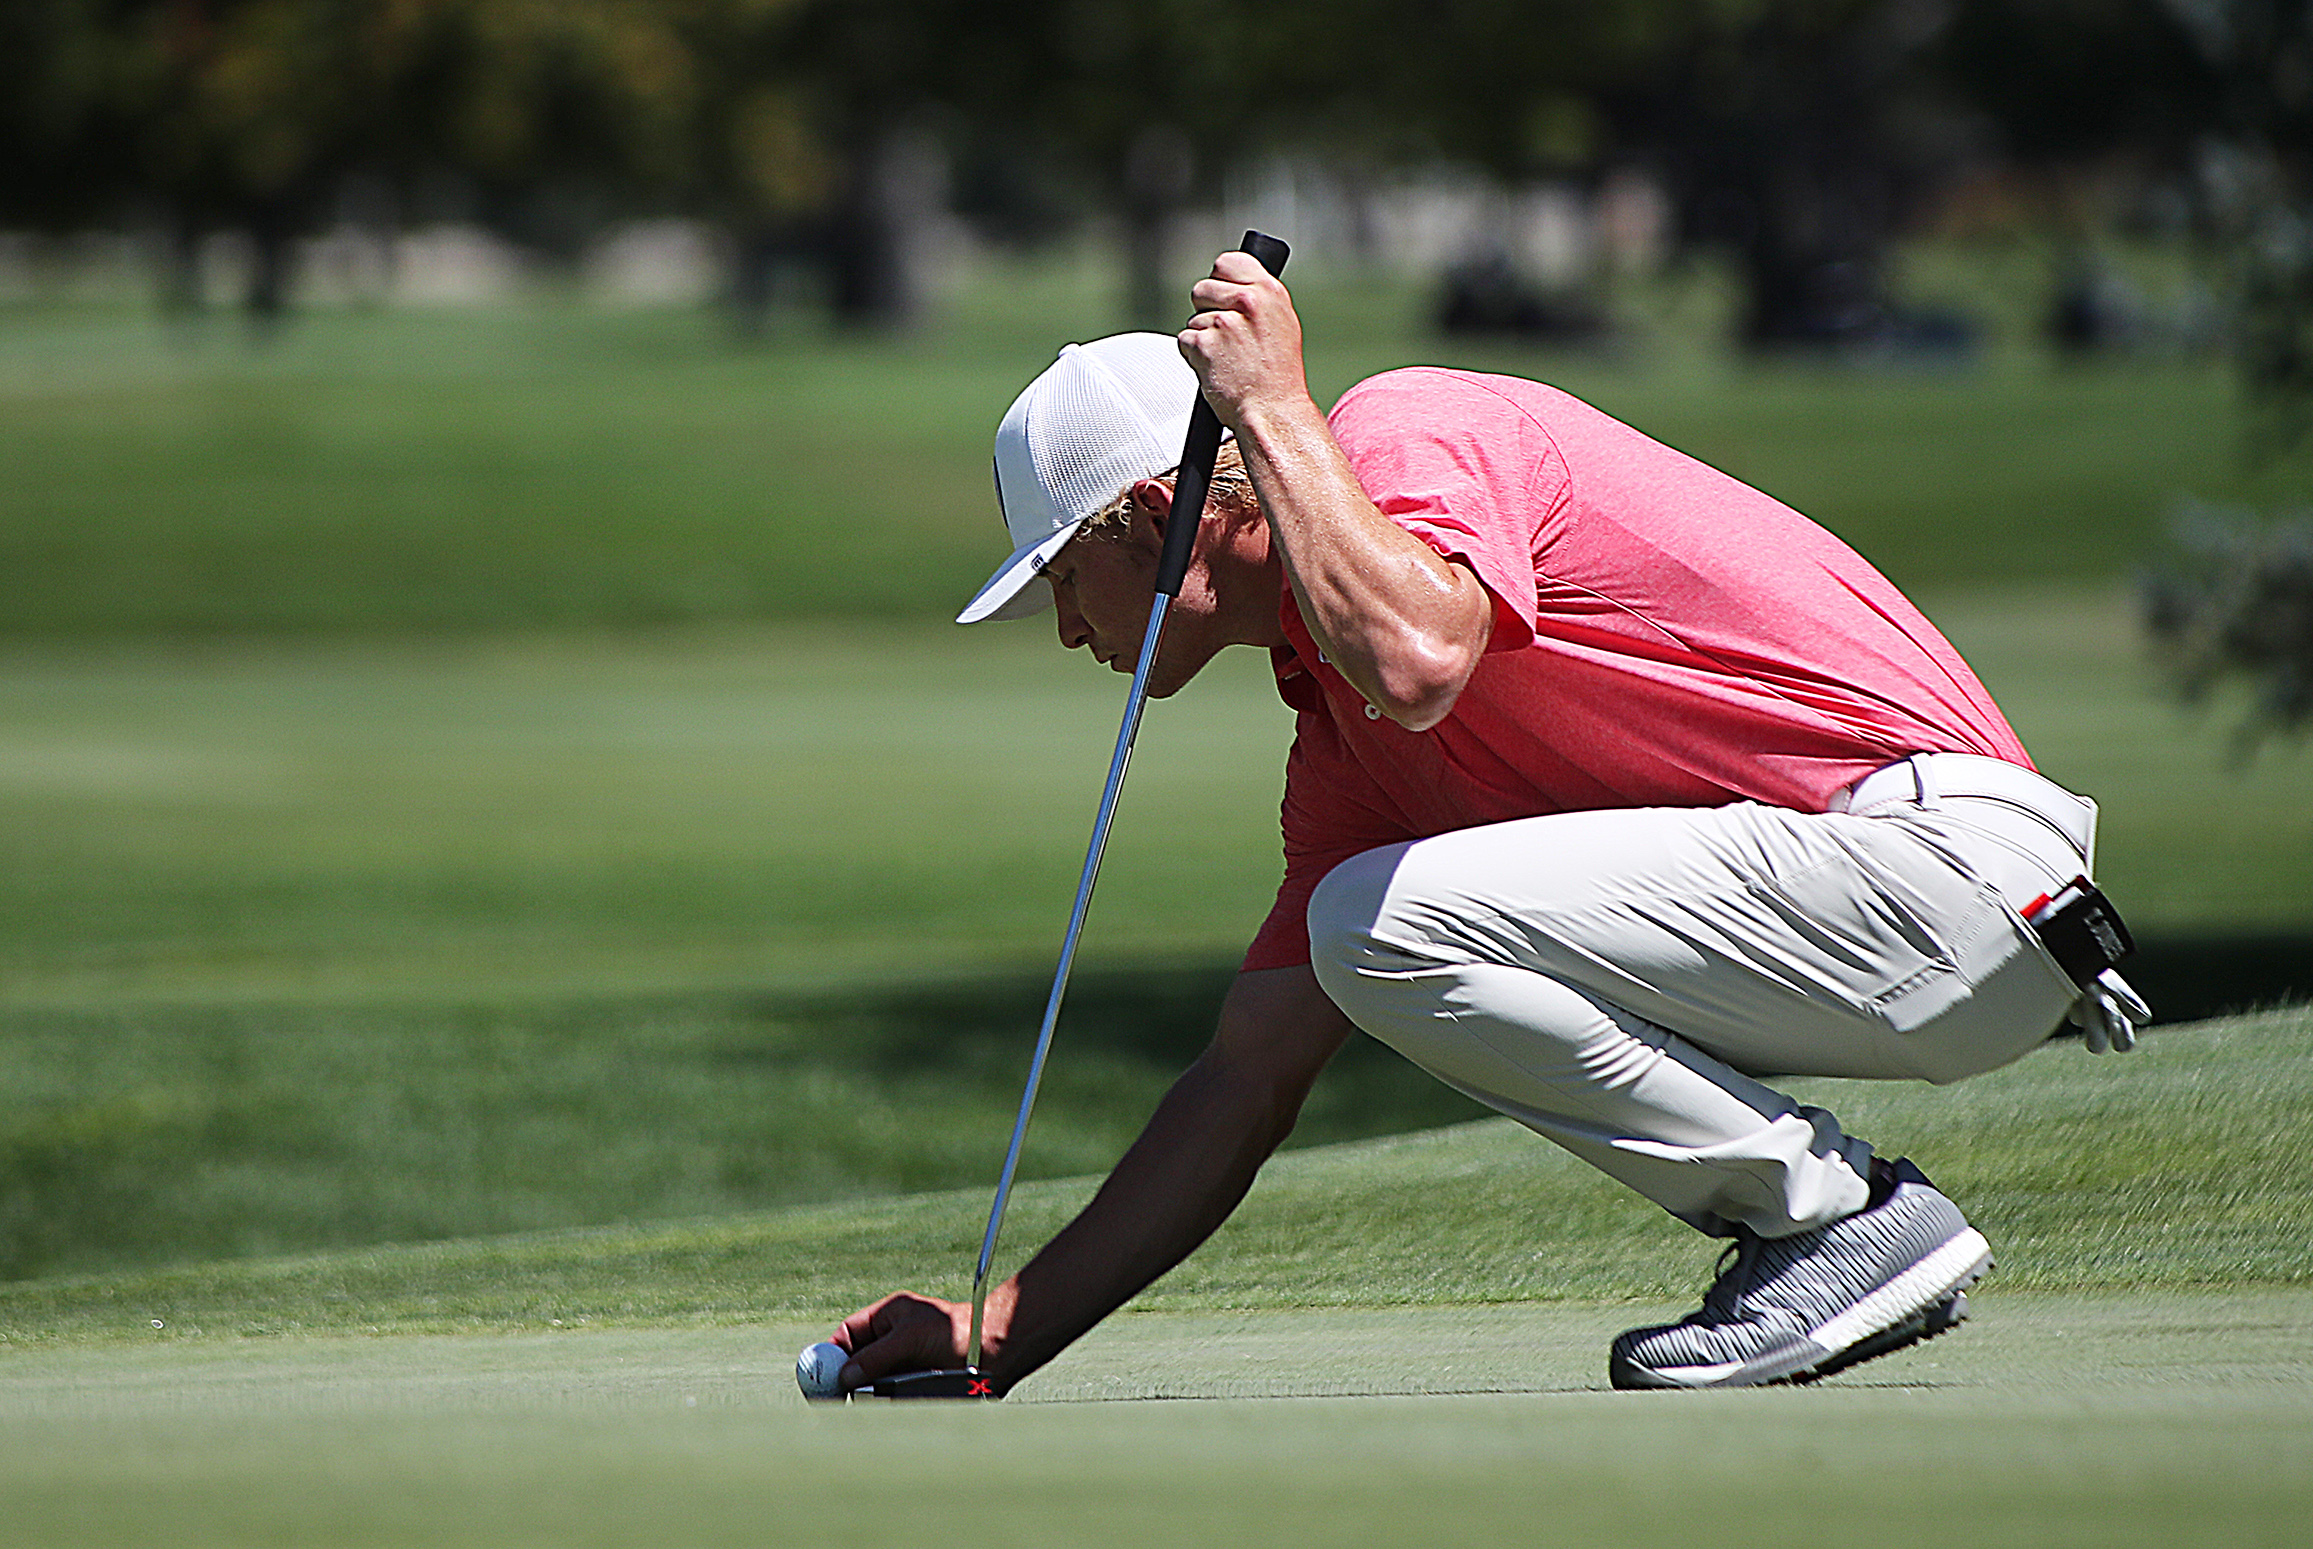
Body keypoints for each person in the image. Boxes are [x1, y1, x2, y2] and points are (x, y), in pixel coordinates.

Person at [834, 249, 2148, 1394]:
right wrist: (1000, 1326)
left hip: (1944, 865)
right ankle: (1836, 1220)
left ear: (1159, 517)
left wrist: (1278, 403)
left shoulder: (1409, 428)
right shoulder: (1344, 743)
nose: (1069, 628)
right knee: (1360, 926)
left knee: (1372, 920)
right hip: (1925, 924)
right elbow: (1246, 1078)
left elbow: (1418, 652)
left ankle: (1835, 1220)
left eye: (1069, 578)